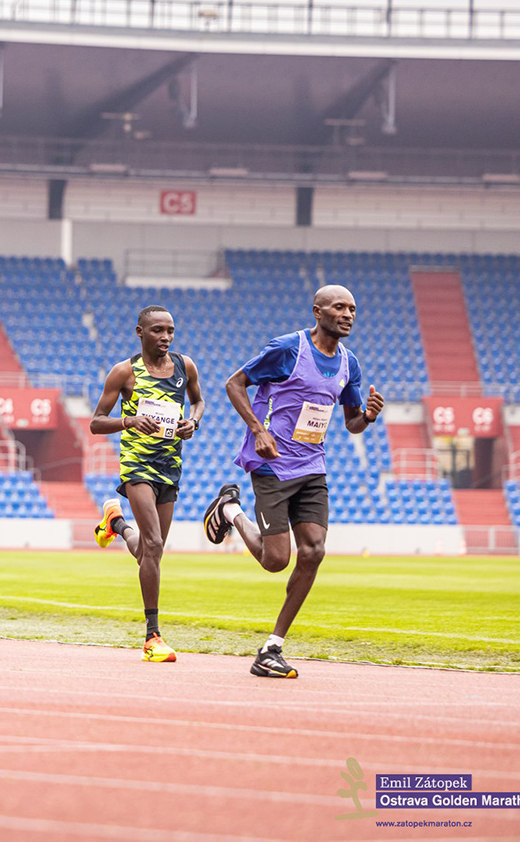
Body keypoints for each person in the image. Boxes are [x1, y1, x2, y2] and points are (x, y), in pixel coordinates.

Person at [203, 285, 384, 679]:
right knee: (276, 561)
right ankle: (230, 510)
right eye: (339, 307)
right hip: (271, 464)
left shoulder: (349, 363)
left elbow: (351, 423)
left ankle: (272, 647)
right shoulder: (288, 348)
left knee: (315, 551)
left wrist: (366, 416)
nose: (348, 314)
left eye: (353, 308)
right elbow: (235, 383)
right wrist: (257, 431)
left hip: (312, 467)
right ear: (317, 311)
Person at [89, 304, 206, 663]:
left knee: (147, 552)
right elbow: (96, 422)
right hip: (138, 466)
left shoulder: (185, 367)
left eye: (170, 330)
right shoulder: (125, 372)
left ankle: (117, 524)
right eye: (157, 331)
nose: (166, 337)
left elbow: (199, 401)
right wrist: (130, 421)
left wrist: (193, 422)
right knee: (153, 544)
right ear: (140, 332)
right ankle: (152, 637)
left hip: (170, 466)